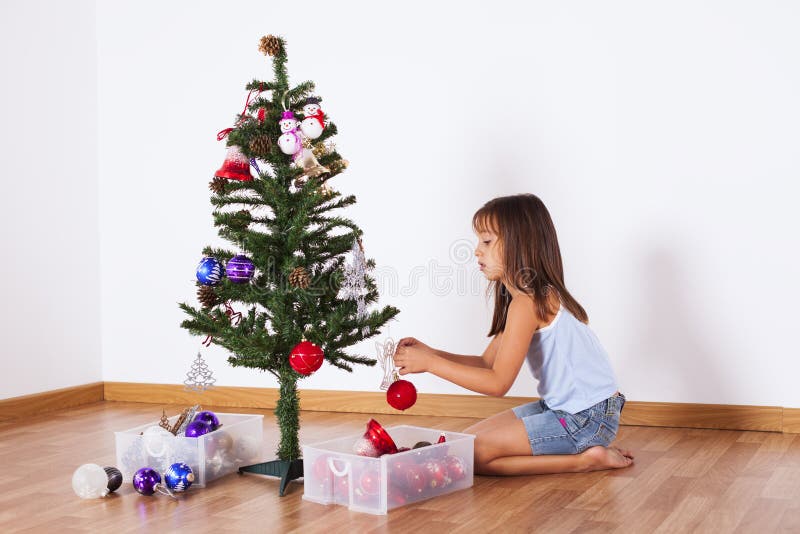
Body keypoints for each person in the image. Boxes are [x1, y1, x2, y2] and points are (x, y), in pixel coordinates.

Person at [393, 193, 635, 476]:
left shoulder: (529, 302)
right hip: (575, 411)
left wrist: (432, 365)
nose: (476, 251)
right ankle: (589, 451)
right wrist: (431, 353)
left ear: (519, 243)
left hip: (585, 418)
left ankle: (586, 460)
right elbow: (486, 363)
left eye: (486, 241)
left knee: (474, 454)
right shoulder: (525, 299)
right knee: (463, 444)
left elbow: (497, 383)